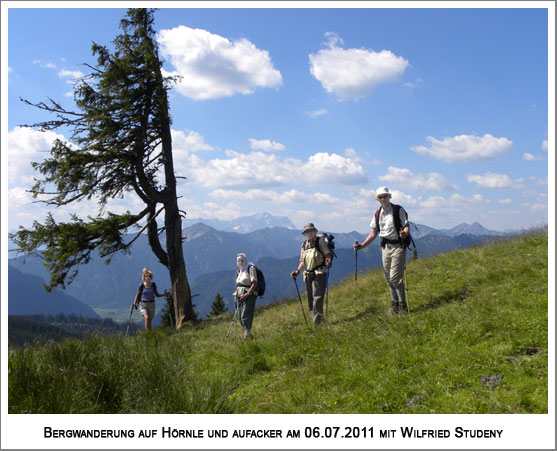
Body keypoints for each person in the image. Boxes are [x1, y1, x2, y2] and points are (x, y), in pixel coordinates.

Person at [353, 187, 410, 315]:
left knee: (395, 278)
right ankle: (394, 305)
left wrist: (404, 234)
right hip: (385, 247)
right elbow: (373, 233)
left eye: (385, 196)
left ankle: (403, 307)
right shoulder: (378, 213)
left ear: (389, 197)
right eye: (380, 197)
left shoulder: (397, 210)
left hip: (398, 246)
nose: (383, 199)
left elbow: (406, 226)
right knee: (388, 278)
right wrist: (361, 246)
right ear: (378, 199)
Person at [291, 223, 332, 325]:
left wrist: (328, 260)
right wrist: (297, 271)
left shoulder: (320, 241)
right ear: (305, 234)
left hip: (319, 272)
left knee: (317, 297)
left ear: (314, 231)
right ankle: (318, 320)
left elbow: (327, 254)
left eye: (311, 231)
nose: (309, 233)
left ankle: (317, 323)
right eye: (307, 232)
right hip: (308, 274)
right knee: (310, 298)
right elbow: (302, 261)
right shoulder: (304, 245)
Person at [233, 253, 258, 339]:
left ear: (245, 260)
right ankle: (248, 335)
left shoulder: (250, 268)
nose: (240, 262)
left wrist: (248, 294)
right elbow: (239, 284)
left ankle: (247, 335)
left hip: (249, 294)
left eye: (242, 260)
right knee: (240, 316)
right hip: (239, 294)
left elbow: (254, 282)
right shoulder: (240, 270)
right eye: (239, 261)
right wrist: (236, 295)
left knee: (245, 315)